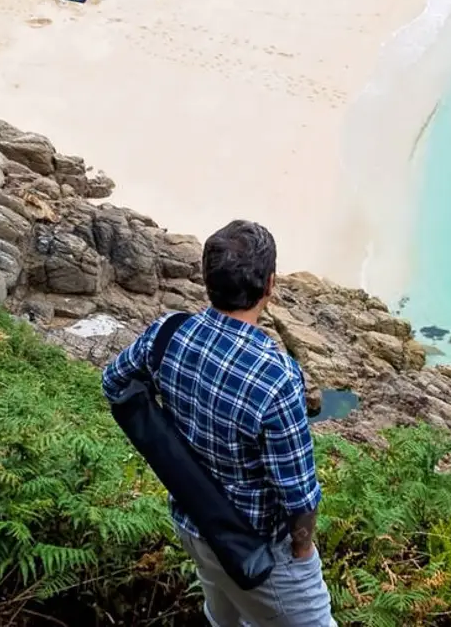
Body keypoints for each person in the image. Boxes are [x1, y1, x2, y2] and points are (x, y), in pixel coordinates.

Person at [102, 221, 333, 627]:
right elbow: (299, 498)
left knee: (225, 619)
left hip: (195, 525)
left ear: (207, 279)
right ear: (270, 286)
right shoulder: (276, 376)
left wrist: (164, 443)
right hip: (258, 550)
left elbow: (114, 382)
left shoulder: (168, 334)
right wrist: (301, 556)